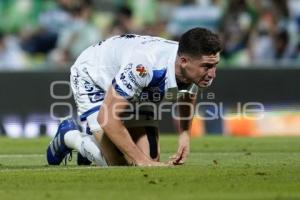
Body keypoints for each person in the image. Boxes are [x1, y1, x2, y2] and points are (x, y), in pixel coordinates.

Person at [46, 27, 221, 167]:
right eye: (207, 66)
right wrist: (141, 161)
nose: (213, 74)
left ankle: (95, 146)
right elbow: (107, 118)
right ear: (183, 62)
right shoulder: (145, 66)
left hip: (135, 87)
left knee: (152, 157)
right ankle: (70, 136)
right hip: (94, 76)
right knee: (121, 163)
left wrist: (184, 135)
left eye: (215, 65)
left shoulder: (192, 66)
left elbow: (188, 93)